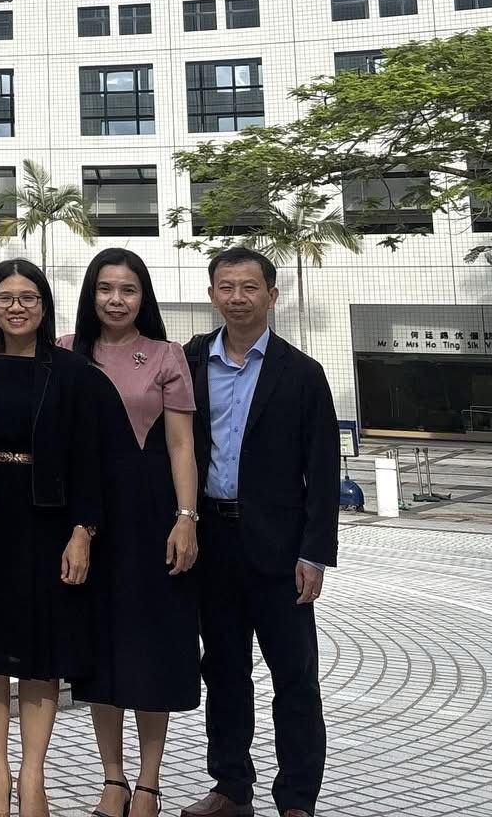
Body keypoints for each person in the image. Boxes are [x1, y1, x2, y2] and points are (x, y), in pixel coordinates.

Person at [180, 246, 338, 817]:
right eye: (227, 287)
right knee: (223, 672)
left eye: (250, 287)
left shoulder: (301, 374)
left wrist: (314, 554)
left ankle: (296, 798)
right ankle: (230, 788)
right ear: (212, 293)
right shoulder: (191, 361)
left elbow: (323, 473)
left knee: (294, 677)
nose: (238, 298)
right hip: (212, 543)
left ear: (272, 295)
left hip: (278, 549)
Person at [0, 259, 106, 817]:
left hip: (49, 522)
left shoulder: (72, 372)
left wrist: (83, 530)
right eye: (5, 297)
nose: (16, 306)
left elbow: (91, 459)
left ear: (43, 305)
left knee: (43, 656)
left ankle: (33, 777)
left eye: (28, 297)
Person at [66, 249, 201, 817]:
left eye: (127, 289)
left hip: (153, 516)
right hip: (88, 518)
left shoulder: (167, 356)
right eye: (105, 289)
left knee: (153, 648)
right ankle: (112, 779)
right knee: (101, 650)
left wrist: (186, 518)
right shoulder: (68, 353)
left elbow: (181, 446)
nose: (115, 300)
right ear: (91, 295)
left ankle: (148, 783)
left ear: (143, 296)